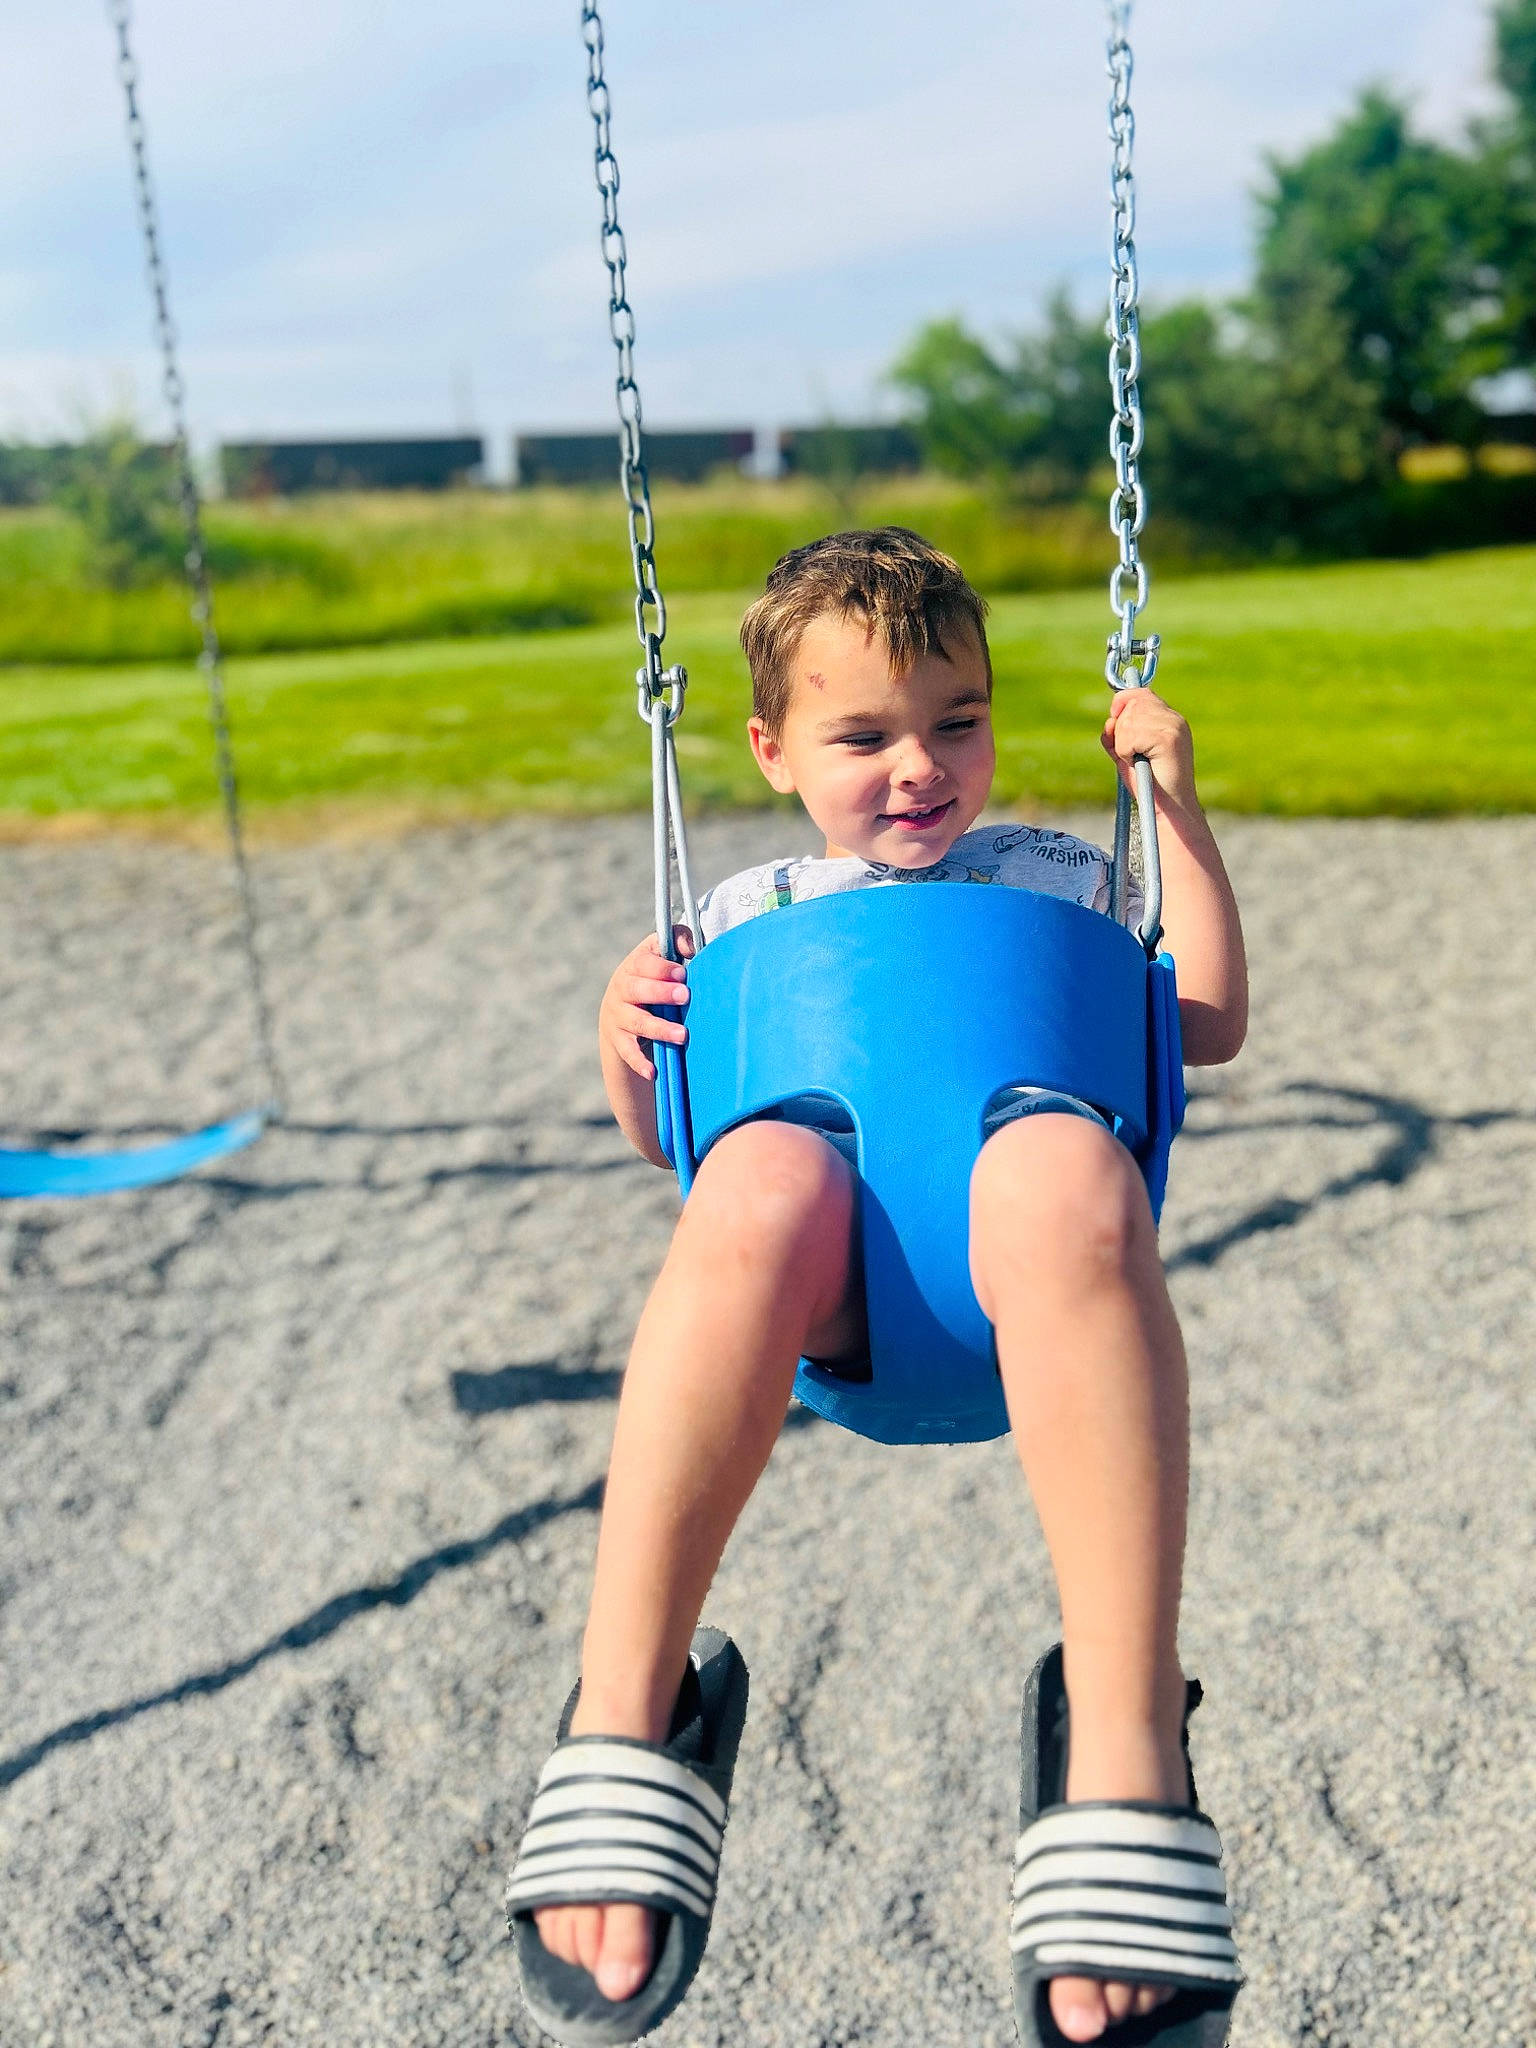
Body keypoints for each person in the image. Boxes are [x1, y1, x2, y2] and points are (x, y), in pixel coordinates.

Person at [510, 527, 1248, 2045]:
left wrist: (1170, 805)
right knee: (758, 1178)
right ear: (775, 750)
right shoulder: (745, 913)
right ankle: (624, 1699)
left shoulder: (1065, 872)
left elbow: (1207, 1022)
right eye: (865, 734)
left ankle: (1122, 1738)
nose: (919, 766)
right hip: (831, 1295)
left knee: (1062, 1170)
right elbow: (670, 1135)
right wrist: (617, 1025)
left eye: (956, 721)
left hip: (1028, 1292)